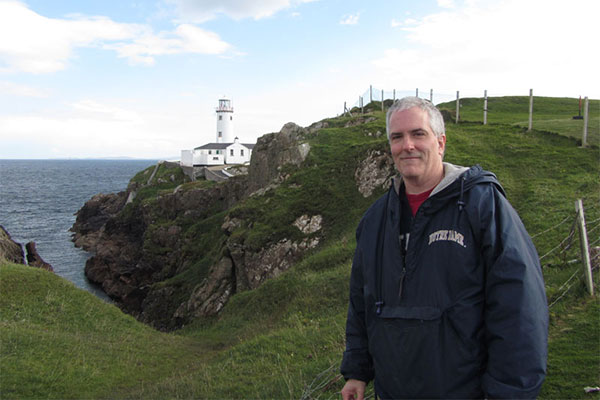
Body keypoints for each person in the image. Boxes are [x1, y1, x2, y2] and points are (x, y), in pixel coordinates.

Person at [340, 97, 548, 399]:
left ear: (441, 143)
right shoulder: (375, 220)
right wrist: (357, 371)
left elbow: (519, 306)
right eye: (397, 137)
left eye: (418, 134)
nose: (407, 145)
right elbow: (361, 300)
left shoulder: (482, 205)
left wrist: (508, 393)